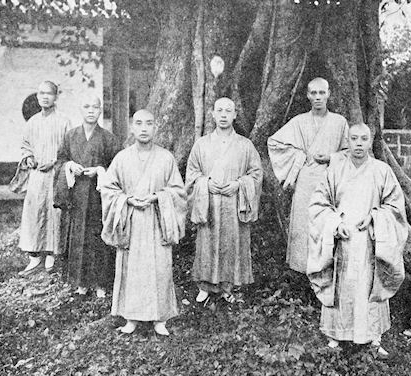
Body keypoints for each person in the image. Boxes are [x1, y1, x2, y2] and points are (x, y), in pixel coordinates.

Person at [307, 123, 409, 357]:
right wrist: (335, 224)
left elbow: (395, 207)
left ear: (371, 141)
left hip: (371, 242)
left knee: (368, 285)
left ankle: (373, 337)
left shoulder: (382, 170)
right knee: (341, 285)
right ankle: (335, 335)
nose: (359, 143)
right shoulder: (335, 170)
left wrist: (374, 218)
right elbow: (318, 204)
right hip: (341, 241)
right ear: (348, 141)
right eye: (354, 139)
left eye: (364, 138)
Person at [100, 109, 187, 335]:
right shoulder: (122, 158)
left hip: (157, 221)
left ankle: (160, 318)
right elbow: (109, 189)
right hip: (131, 221)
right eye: (139, 123)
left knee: (159, 268)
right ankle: (131, 317)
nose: (144, 128)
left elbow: (178, 191)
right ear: (132, 127)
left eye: (149, 123)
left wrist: (158, 197)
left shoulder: (166, 158)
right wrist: (126, 199)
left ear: (155, 127)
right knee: (131, 267)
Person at [186, 97, 263, 304]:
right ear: (212, 114)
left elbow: (256, 174)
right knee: (207, 241)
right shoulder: (201, 144)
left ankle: (230, 286)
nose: (223, 115)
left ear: (235, 115)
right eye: (219, 110)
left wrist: (239, 184)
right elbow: (192, 173)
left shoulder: (245, 145)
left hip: (233, 203)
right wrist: (205, 183)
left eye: (228, 111)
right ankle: (206, 285)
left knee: (233, 242)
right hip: (209, 203)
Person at [268, 77, 348, 274]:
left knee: (328, 225)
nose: (318, 97)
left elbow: (350, 152)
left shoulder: (339, 122)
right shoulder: (299, 121)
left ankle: (328, 272)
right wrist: (300, 157)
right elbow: (275, 143)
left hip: (330, 182)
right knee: (305, 226)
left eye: (322, 92)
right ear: (308, 95)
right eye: (314, 93)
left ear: (329, 94)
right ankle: (303, 274)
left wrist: (331, 157)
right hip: (305, 182)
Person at [53, 95, 120, 297]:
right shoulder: (71, 136)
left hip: (99, 197)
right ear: (80, 110)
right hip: (77, 196)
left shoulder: (109, 138)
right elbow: (60, 161)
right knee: (78, 238)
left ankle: (101, 283)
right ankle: (80, 283)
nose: (91, 110)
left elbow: (117, 167)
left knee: (98, 237)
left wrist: (100, 170)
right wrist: (69, 166)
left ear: (101, 111)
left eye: (95, 107)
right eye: (86, 106)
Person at [18, 81, 71, 276]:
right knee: (34, 212)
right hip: (37, 176)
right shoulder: (32, 122)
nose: (45, 97)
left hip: (55, 175)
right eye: (41, 93)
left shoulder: (64, 121)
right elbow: (25, 145)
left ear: (56, 97)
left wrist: (55, 161)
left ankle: (51, 256)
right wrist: (29, 158)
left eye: (49, 94)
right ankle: (34, 257)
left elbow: (69, 148)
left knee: (52, 212)